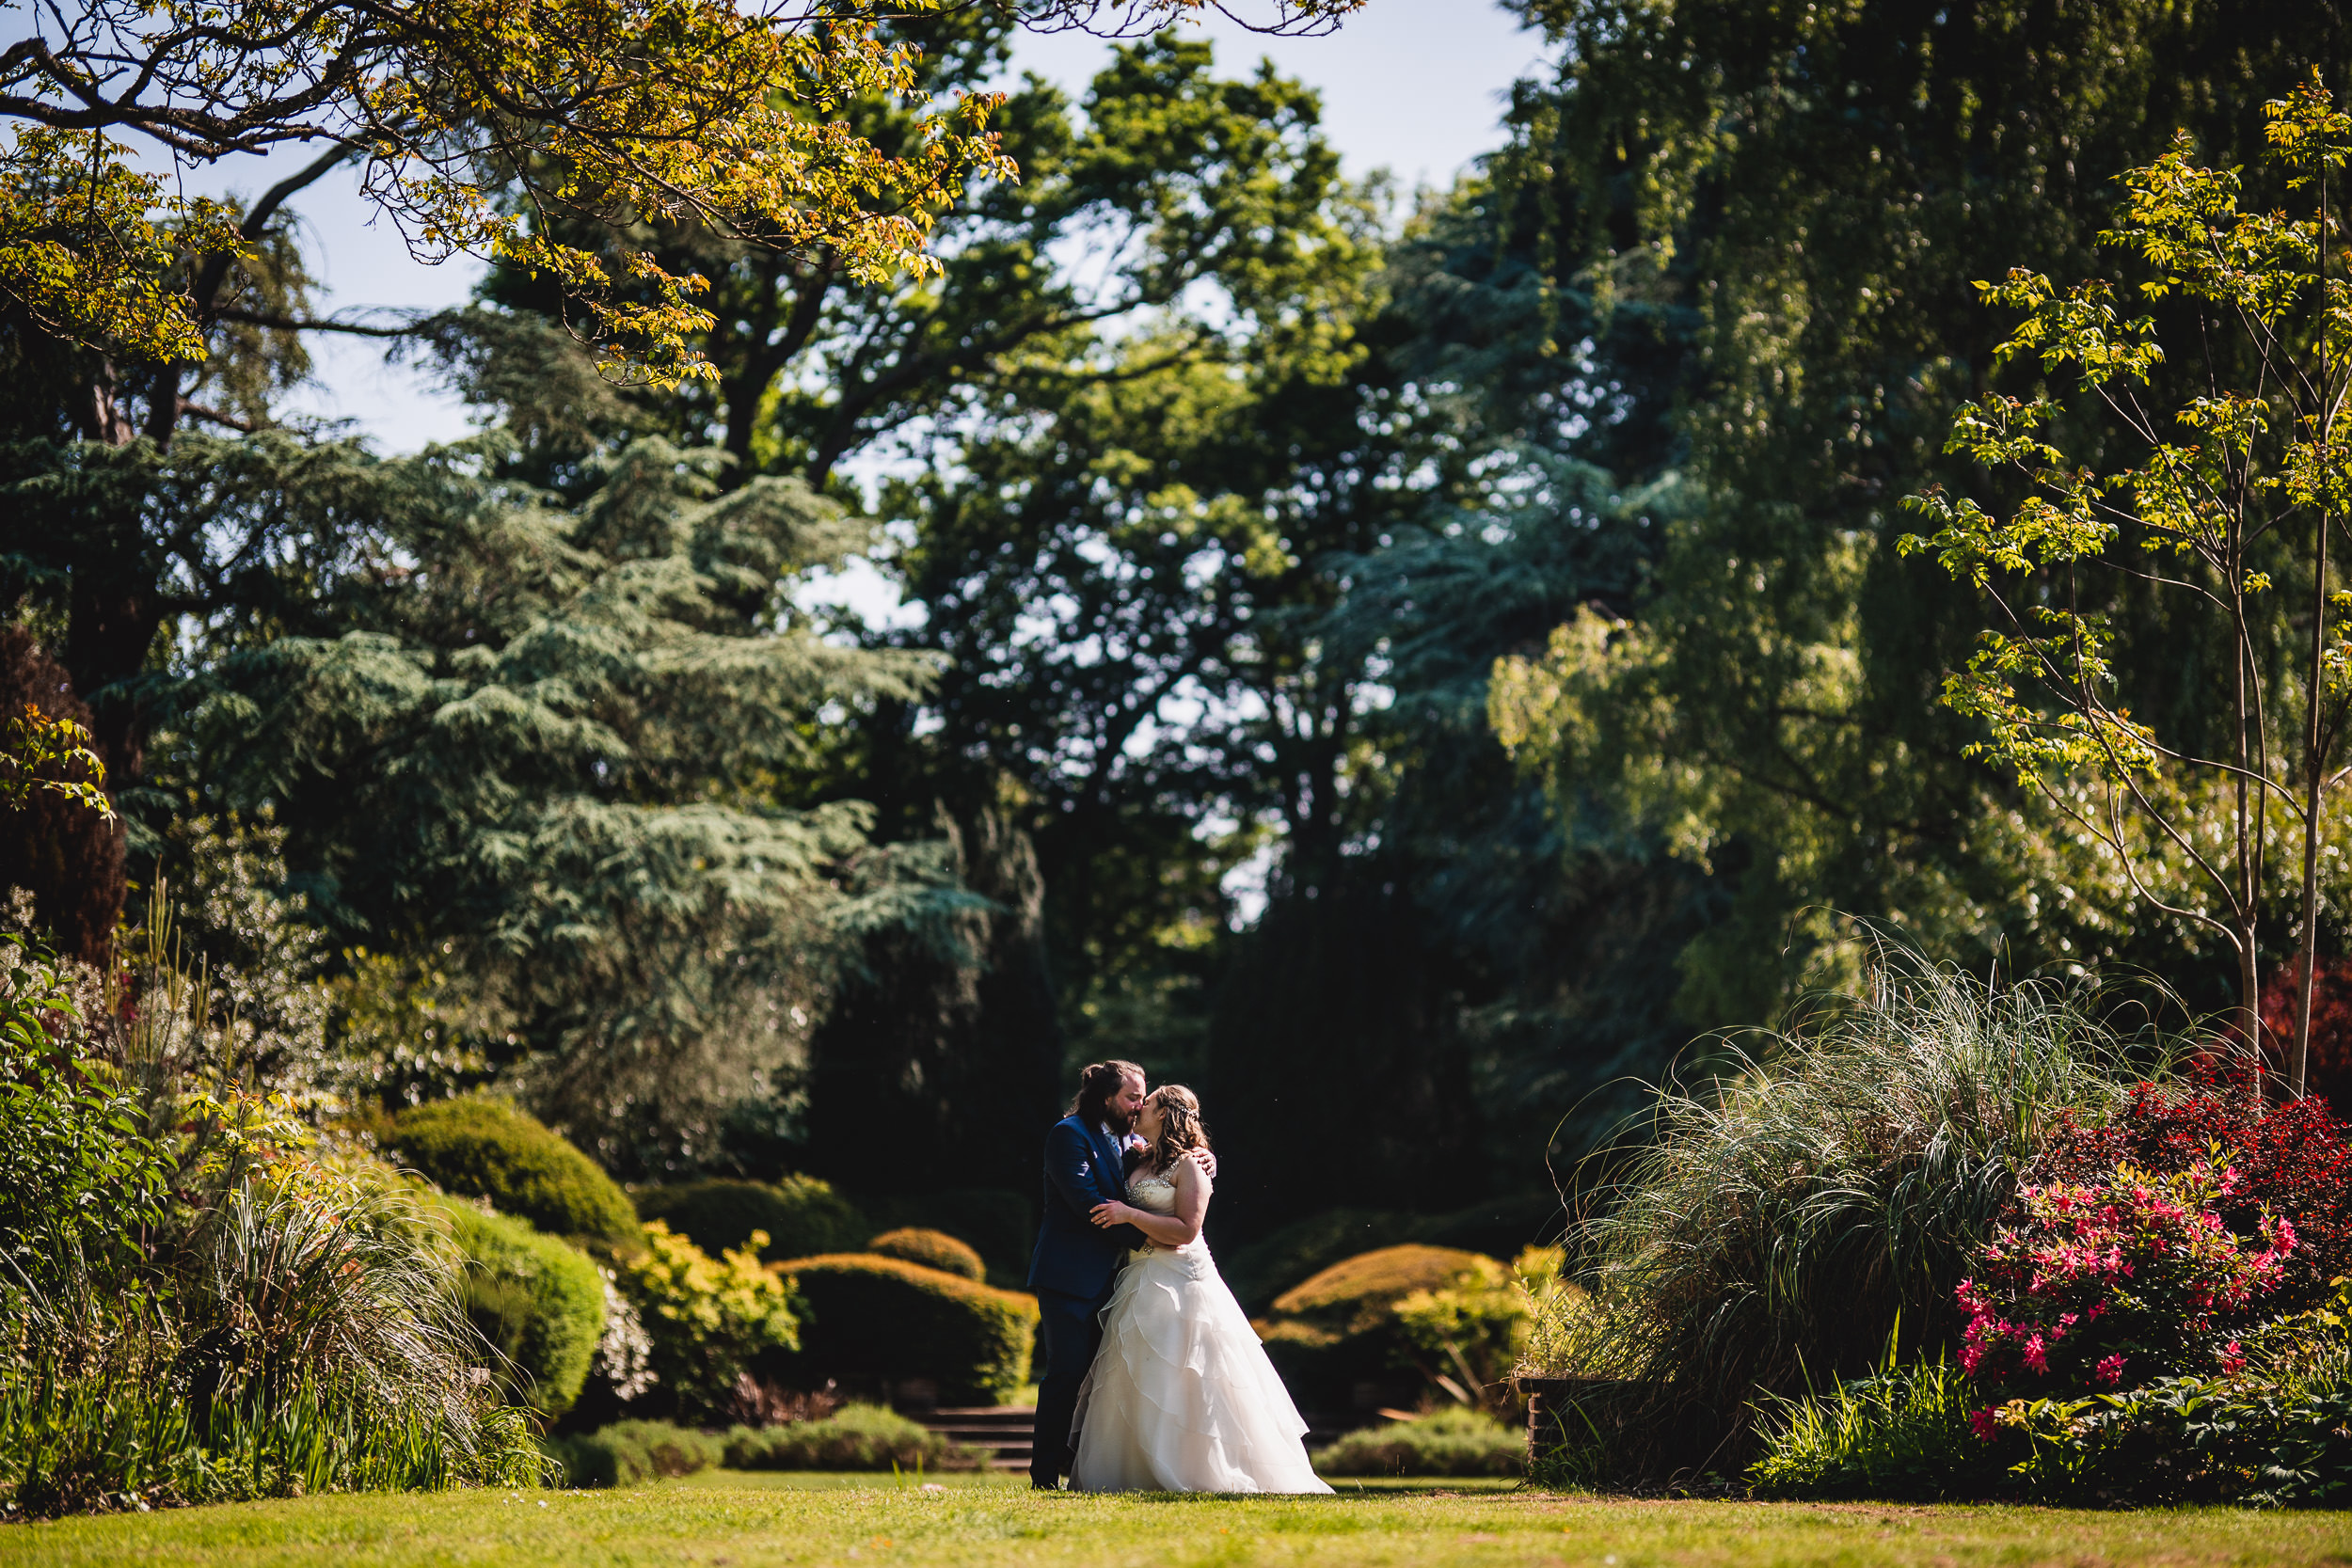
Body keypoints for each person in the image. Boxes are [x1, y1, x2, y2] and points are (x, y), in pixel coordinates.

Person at [1067, 1085, 1331, 1494]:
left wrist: (1127, 1214)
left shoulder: (1190, 1166)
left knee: (1189, 1373)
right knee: (1138, 1373)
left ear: (1167, 1113)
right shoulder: (1137, 1157)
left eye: (1148, 1103)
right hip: (1138, 1277)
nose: (1139, 1108)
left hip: (1180, 1280)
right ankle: (1130, 1471)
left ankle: (1195, 1469)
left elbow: (1186, 1231)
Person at [1025, 1059, 1152, 1490]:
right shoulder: (1068, 1135)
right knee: (1067, 1373)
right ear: (1105, 1098)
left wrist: (1203, 1158)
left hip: (1119, 1280)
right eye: (1132, 1097)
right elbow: (1088, 1204)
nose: (1140, 1105)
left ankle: (1090, 1470)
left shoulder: (1134, 1139)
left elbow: (1172, 1164)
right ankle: (1044, 1476)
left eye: (1142, 1097)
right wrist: (1158, 1238)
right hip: (1068, 1277)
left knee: (1108, 1376)